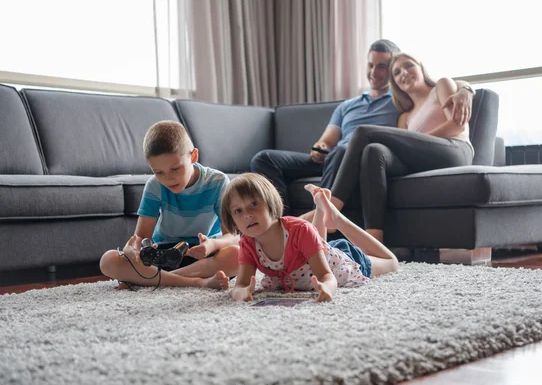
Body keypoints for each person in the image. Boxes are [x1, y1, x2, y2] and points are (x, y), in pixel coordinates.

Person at [251, 39, 474, 215]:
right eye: (370, 65)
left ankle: (320, 219)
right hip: (334, 158)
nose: (374, 72)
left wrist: (466, 89)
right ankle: (280, 222)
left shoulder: (400, 102)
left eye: (383, 67)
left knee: (342, 151)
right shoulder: (348, 105)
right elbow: (328, 140)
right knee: (264, 158)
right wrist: (320, 148)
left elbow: (435, 90)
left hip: (356, 157)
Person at [319, 52, 475, 243]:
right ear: (395, 84)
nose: (404, 73)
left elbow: (456, 125)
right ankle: (374, 241)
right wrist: (412, 142)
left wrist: (466, 89)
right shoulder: (405, 116)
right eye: (397, 72)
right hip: (424, 160)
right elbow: (405, 151)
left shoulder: (441, 85)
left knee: (364, 132)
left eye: (409, 66)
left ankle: (331, 207)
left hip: (455, 150)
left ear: (421, 67)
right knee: (373, 151)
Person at [99, 121, 239, 289]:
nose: (168, 179)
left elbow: (233, 235)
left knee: (238, 254)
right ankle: (197, 282)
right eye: (159, 172)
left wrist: (212, 245)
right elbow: (142, 236)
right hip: (163, 253)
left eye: (175, 169)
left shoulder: (218, 182)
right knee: (108, 260)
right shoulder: (154, 186)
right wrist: (134, 247)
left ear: (193, 157)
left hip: (202, 254)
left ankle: (149, 280)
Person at [220, 173, 399, 303]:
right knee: (312, 241)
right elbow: (241, 284)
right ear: (233, 221)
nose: (247, 215)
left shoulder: (299, 229)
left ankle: (337, 219)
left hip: (341, 260)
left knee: (391, 263)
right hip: (311, 252)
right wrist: (241, 294)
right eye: (238, 211)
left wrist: (328, 288)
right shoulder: (247, 243)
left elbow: (326, 275)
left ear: (270, 202)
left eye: (253, 204)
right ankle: (321, 209)